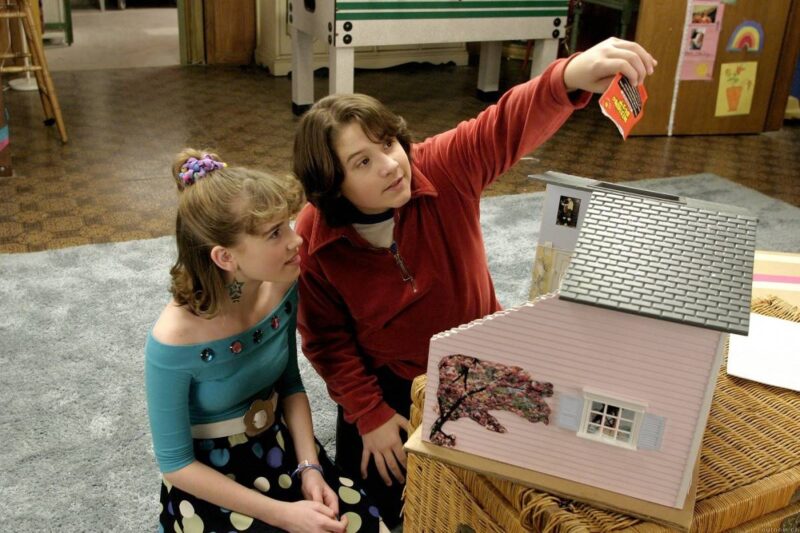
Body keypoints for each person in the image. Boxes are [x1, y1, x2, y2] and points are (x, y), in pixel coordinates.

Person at [292, 37, 657, 526]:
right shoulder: (314, 238)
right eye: (362, 162)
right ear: (333, 185)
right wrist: (369, 414)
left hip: (480, 363)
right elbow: (326, 340)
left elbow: (502, 125)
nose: (390, 163)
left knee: (499, 497)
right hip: (389, 387)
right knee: (384, 508)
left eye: (387, 143)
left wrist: (568, 77)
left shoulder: (441, 165)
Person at [145, 149, 385, 532]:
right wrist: (283, 515)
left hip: (281, 450)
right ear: (225, 257)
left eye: (288, 224)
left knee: (360, 523)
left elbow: (290, 385)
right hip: (212, 483)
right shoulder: (172, 341)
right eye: (276, 233)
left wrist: (310, 468)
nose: (296, 239)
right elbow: (176, 464)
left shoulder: (283, 284)